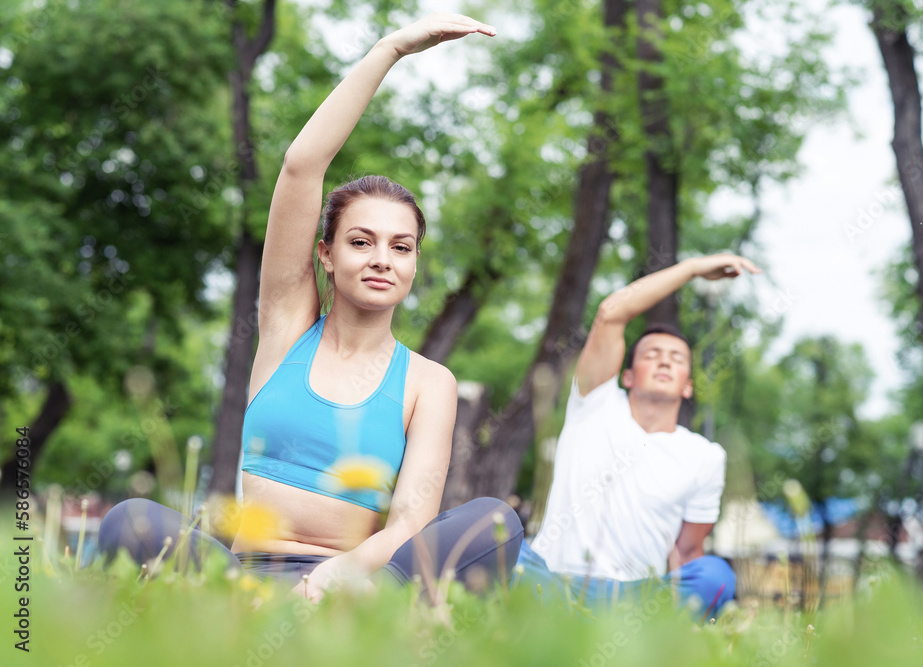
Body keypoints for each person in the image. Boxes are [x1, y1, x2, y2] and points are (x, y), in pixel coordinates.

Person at [98, 13, 522, 603]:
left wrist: (337, 576)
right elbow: (302, 165)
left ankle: (361, 632)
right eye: (360, 241)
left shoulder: (431, 382)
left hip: (354, 589)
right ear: (325, 253)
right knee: (130, 521)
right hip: (242, 584)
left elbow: (409, 522)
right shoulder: (284, 327)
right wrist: (391, 49)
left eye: (401, 247)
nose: (382, 259)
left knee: (494, 523)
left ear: (415, 264)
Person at [516, 254, 761, 616]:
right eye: (652, 355)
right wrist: (692, 269)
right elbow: (612, 313)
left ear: (688, 386)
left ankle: (648, 636)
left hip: (636, 601)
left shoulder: (706, 456)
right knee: (492, 534)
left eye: (677, 358)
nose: (665, 361)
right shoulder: (594, 402)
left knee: (716, 574)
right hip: (553, 583)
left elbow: (690, 551)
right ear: (627, 376)